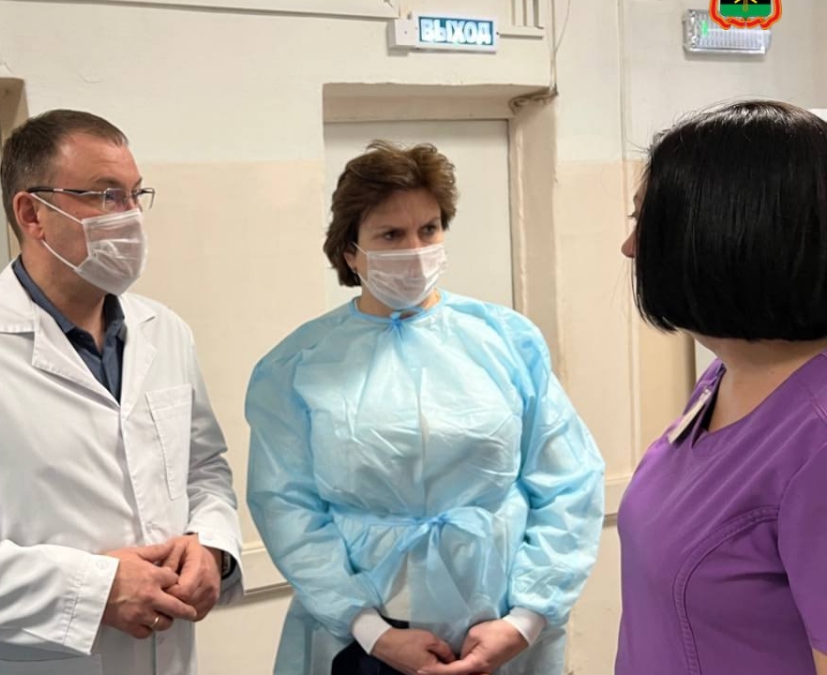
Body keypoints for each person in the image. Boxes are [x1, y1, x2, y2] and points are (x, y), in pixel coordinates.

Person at [0, 109, 243, 675]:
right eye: (106, 195)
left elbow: (204, 469)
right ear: (32, 213)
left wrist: (211, 546)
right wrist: (90, 590)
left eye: (135, 194)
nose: (130, 216)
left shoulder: (166, 332)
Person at [246, 141, 605, 675]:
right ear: (350, 252)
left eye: (429, 229)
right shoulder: (300, 364)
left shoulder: (505, 341)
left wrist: (525, 619)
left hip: (499, 631)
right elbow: (286, 506)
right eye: (391, 235)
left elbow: (568, 482)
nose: (415, 250)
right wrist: (372, 632)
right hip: (365, 639)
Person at [617, 101, 827, 675]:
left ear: (724, 234)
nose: (630, 248)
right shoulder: (727, 374)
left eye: (644, 222)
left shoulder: (817, 441)